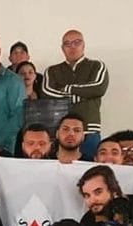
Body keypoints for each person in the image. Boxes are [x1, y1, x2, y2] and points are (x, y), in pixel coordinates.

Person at [41, 30, 109, 158]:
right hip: (60, 132)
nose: (72, 47)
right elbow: (47, 93)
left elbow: (98, 88)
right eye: (67, 44)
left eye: (76, 43)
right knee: (58, 167)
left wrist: (67, 89)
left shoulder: (96, 66)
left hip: (89, 129)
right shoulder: (52, 70)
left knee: (89, 167)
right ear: (62, 48)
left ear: (83, 45)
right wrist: (83, 95)